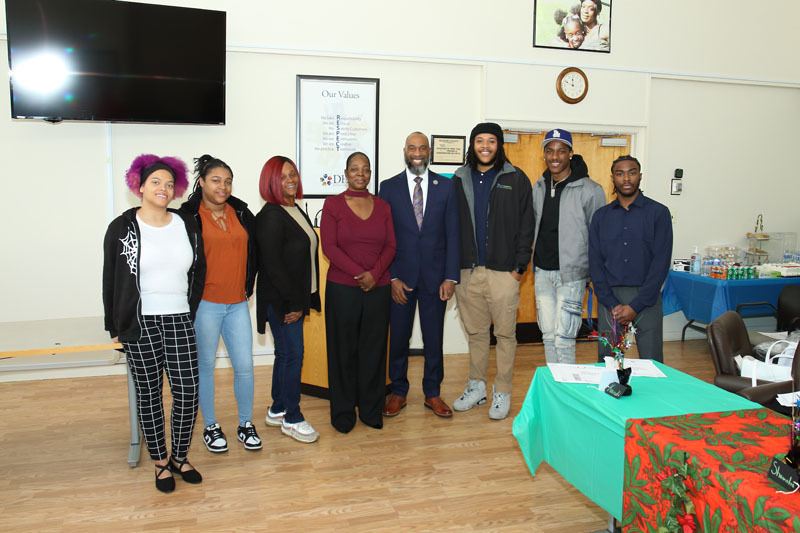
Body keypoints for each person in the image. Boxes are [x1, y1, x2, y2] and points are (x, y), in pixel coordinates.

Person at [103, 154, 205, 493]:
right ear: (140, 186)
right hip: (139, 320)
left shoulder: (186, 223)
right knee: (149, 393)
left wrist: (190, 310)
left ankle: (180, 455)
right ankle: (160, 462)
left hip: (178, 317)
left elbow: (198, 271)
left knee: (188, 391)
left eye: (169, 183)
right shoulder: (123, 227)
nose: (163, 188)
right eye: (156, 182)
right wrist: (113, 325)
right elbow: (111, 280)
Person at [451, 123, 535, 420]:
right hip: (467, 271)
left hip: (503, 272)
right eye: (479, 140)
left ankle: (502, 391)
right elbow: (450, 225)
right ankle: (476, 387)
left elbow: (527, 224)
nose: (485, 146)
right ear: (472, 145)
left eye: (491, 141)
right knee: (475, 333)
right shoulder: (459, 179)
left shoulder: (516, 178)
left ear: (499, 145)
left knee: (505, 335)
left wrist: (519, 267)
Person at [179, 154, 261, 453]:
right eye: (215, 180)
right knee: (205, 368)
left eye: (228, 181)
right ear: (201, 182)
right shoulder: (187, 216)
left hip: (238, 303)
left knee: (245, 367)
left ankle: (245, 424)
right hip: (205, 306)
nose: (222, 187)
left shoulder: (240, 212)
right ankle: (211, 425)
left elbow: (256, 250)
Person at [379, 133, 460, 419]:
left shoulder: (447, 187)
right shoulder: (388, 188)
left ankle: (432, 393)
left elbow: (453, 234)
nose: (417, 153)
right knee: (398, 338)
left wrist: (451, 277)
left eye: (422, 148)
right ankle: (398, 392)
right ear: (404, 151)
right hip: (400, 279)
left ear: (429, 152)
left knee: (433, 339)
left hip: (436, 280)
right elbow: (383, 237)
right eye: (412, 148)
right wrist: (391, 277)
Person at [321, 152, 396, 432]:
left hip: (379, 288)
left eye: (365, 169)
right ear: (346, 172)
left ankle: (370, 409)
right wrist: (359, 274)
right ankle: (343, 412)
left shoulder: (384, 206)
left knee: (374, 351)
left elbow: (391, 246)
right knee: (343, 351)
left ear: (370, 173)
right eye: (355, 169)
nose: (361, 174)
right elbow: (329, 247)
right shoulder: (332, 205)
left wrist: (374, 275)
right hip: (343, 288)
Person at [255, 156, 320, 444]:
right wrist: (294, 304)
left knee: (285, 354)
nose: (290, 180)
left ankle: (278, 408)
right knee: (294, 355)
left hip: (292, 298)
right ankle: (292, 418)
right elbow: (273, 266)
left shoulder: (293, 209)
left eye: (292, 174)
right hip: (282, 301)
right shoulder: (271, 215)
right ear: (270, 182)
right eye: (282, 177)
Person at [532, 129, 606, 366]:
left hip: (572, 276)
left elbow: (598, 237)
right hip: (542, 272)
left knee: (564, 339)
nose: (555, 156)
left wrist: (594, 274)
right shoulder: (539, 186)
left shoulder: (590, 190)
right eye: (550, 151)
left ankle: (567, 394)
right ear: (544, 154)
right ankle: (555, 389)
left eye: (561, 151)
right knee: (548, 336)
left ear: (570, 154)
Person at [589, 156, 673, 363]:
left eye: (632, 172)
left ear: (640, 176)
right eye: (620, 173)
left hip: (647, 297)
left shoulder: (658, 213)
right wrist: (611, 302)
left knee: (652, 360)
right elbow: (595, 263)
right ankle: (609, 396)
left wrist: (636, 305)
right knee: (609, 361)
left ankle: (654, 397)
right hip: (610, 299)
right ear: (613, 178)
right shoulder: (601, 217)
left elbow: (660, 263)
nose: (626, 178)